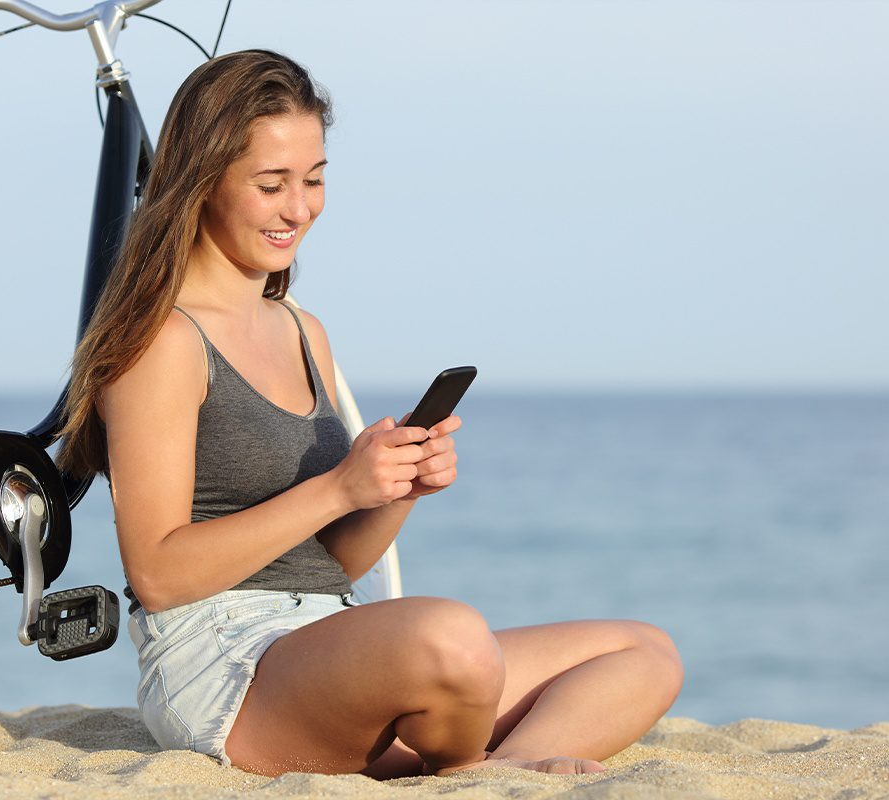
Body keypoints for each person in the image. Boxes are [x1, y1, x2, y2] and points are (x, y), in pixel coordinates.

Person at [56, 49, 683, 779]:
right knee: (449, 635)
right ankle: (480, 763)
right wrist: (339, 487)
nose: (299, 208)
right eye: (271, 184)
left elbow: (333, 562)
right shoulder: (162, 342)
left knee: (643, 650)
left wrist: (394, 492)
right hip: (228, 666)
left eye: (314, 179)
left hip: (329, 633)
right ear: (203, 182)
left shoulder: (299, 328)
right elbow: (159, 573)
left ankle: (495, 773)